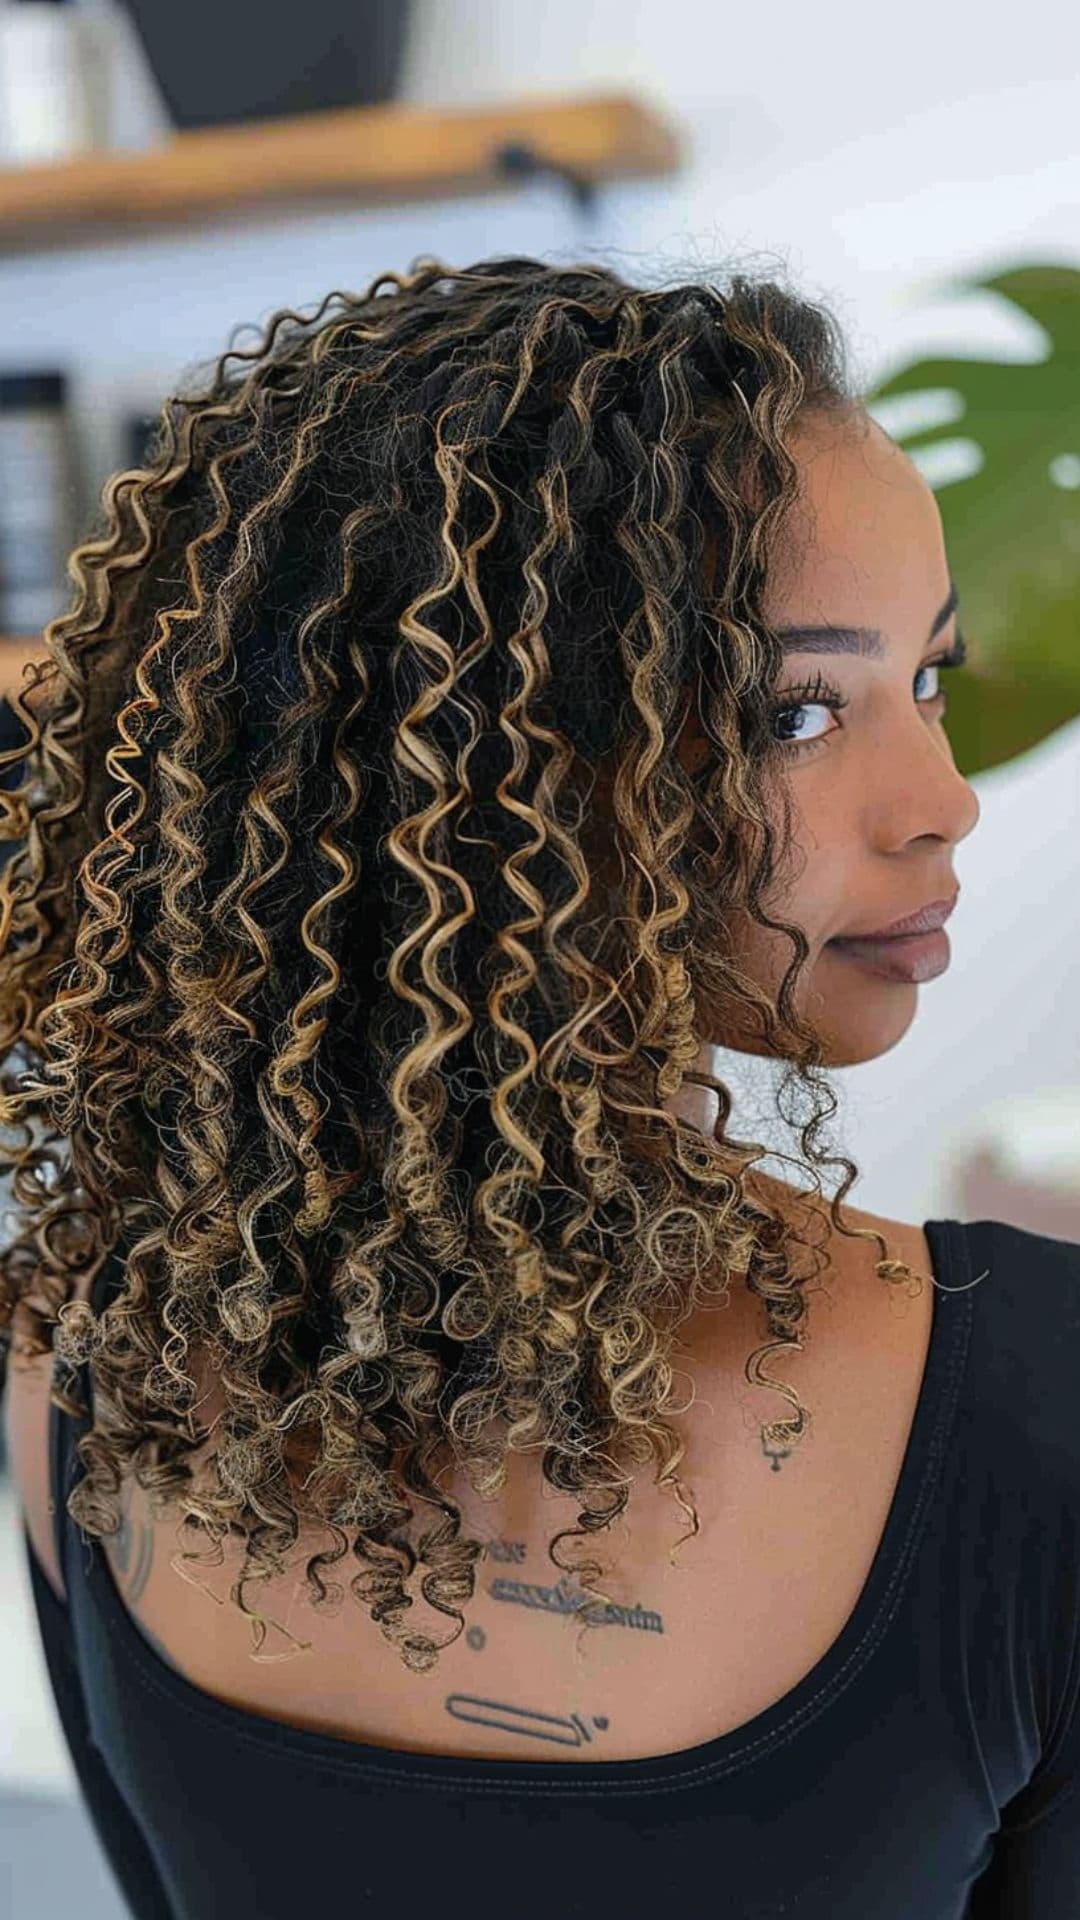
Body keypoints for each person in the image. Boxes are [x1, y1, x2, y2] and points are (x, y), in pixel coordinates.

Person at [2, 255, 1079, 1919]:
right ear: (456, 786)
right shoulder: (1038, 1407)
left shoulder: (84, 1357)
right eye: (795, 708)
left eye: (923, 681)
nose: (942, 800)